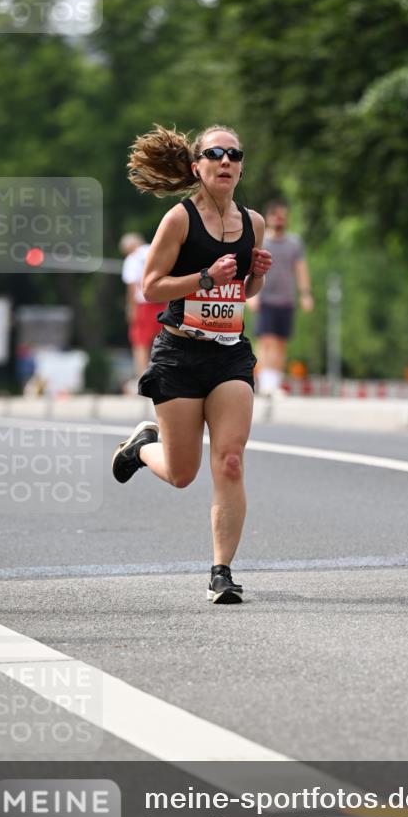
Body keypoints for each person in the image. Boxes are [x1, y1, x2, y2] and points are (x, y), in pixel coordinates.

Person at [111, 124, 271, 604]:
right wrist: (203, 276)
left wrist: (255, 276)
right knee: (183, 474)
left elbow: (244, 293)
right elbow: (151, 286)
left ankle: (221, 572)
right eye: (215, 153)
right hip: (180, 355)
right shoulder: (179, 220)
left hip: (229, 354)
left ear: (241, 165)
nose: (226, 161)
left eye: (234, 154)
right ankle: (142, 447)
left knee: (231, 460)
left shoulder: (254, 223)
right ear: (197, 164)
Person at [249, 200, 313, 395]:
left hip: (286, 299)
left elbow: (300, 269)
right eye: (276, 216)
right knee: (266, 340)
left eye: (282, 216)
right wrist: (249, 295)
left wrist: (306, 294)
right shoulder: (261, 241)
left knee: (281, 342)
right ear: (268, 218)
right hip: (264, 297)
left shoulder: (294, 243)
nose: (279, 219)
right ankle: (264, 381)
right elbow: (248, 266)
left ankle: (274, 382)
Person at [119, 232, 167, 381]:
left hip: (144, 305)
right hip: (163, 301)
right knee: (166, 341)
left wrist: (131, 309)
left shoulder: (132, 259)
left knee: (140, 342)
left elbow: (132, 288)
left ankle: (142, 377)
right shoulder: (156, 251)